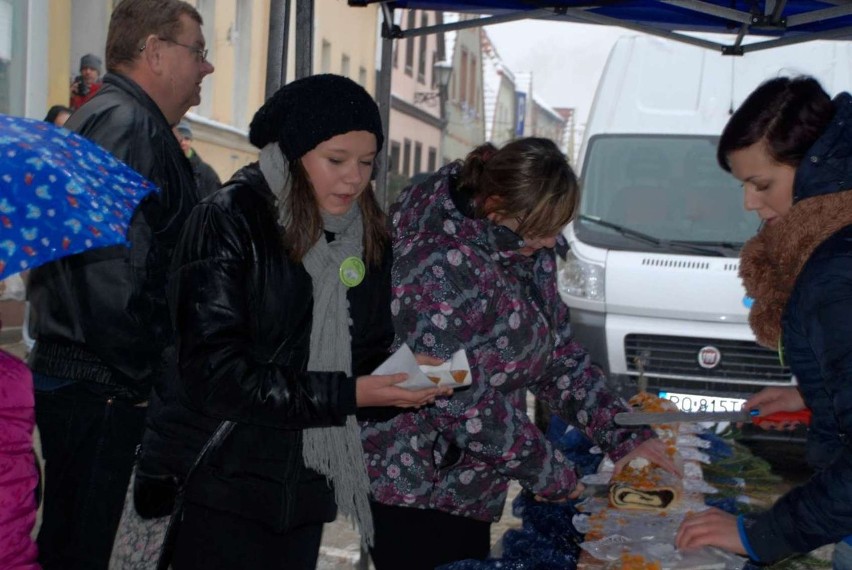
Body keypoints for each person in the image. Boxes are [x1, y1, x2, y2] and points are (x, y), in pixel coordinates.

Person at [133, 73, 448, 570]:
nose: (354, 178)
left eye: (367, 163)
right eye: (336, 161)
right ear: (293, 152)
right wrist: (353, 393)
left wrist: (402, 379)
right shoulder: (228, 219)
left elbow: (361, 353)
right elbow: (216, 376)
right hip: (218, 484)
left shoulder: (366, 235)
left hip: (303, 493)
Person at [361, 137, 680, 569]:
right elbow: (452, 395)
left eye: (557, 228)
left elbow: (556, 355)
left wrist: (623, 434)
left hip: (472, 484)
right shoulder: (434, 261)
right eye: (540, 230)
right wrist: (549, 472)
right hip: (417, 486)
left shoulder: (521, 246)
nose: (550, 242)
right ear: (494, 204)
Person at [25, 1, 214, 568]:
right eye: (197, 52)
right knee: (86, 548)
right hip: (103, 388)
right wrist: (143, 380)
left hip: (96, 382)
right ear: (155, 51)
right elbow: (109, 277)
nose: (206, 68)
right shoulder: (126, 122)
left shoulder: (119, 116)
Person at [675, 76, 852, 568]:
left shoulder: (836, 270)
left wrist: (762, 534)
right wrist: (813, 393)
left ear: (818, 167)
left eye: (763, 184)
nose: (751, 204)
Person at [173, 119, 222, 197]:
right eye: (180, 139)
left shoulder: (206, 172)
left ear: (191, 140)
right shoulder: (167, 165)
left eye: (187, 138)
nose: (183, 142)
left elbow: (216, 199)